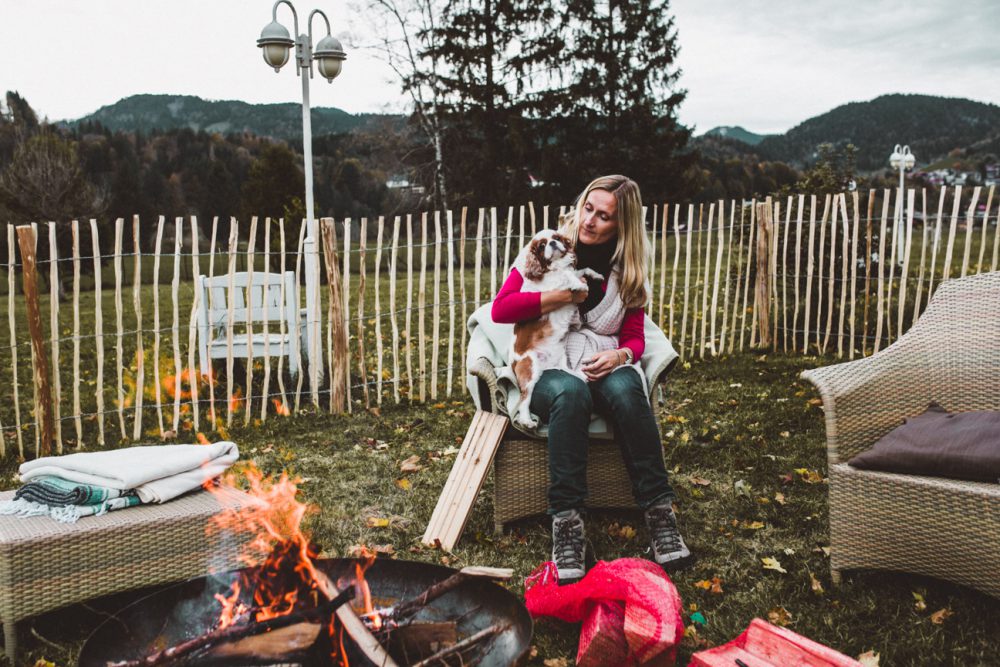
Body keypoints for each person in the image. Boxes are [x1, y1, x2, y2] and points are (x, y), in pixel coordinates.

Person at [491, 174, 692, 584]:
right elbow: (502, 309)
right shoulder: (546, 249)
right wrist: (564, 296)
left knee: (626, 387)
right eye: (588, 208)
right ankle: (567, 524)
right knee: (571, 394)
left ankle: (658, 515)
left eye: (604, 216)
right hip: (549, 369)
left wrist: (620, 354)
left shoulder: (628, 272)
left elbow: (635, 337)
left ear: (622, 226)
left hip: (601, 362)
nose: (589, 221)